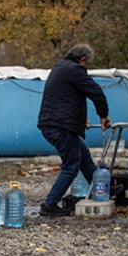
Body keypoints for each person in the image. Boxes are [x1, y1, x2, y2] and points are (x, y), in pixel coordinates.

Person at [36, 43, 112, 217]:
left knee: (83, 153)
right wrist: (103, 115)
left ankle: (98, 188)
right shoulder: (75, 70)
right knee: (71, 165)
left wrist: (78, 119)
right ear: (83, 59)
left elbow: (66, 98)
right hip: (60, 126)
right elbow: (95, 92)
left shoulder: (60, 68)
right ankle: (50, 203)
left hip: (54, 123)